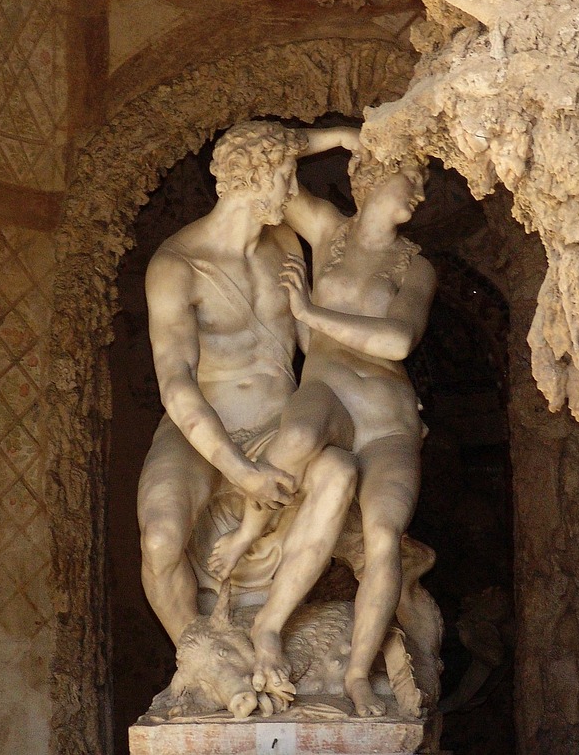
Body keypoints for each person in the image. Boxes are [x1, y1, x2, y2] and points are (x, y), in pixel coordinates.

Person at [210, 127, 438, 716]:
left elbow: (397, 341)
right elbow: (265, 167)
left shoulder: (419, 269)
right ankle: (247, 540)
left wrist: (310, 312)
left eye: (421, 182)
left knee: (384, 534)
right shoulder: (328, 231)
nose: (416, 191)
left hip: (388, 420)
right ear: (367, 178)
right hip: (330, 395)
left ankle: (360, 674)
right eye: (405, 177)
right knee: (302, 436)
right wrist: (340, 135)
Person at [137, 122, 358, 714]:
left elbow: (318, 347)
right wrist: (238, 470)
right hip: (200, 433)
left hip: (280, 427)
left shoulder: (284, 243)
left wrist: (336, 137)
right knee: (160, 538)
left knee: (336, 469)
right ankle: (203, 659)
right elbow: (176, 384)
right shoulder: (177, 265)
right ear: (257, 180)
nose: (294, 193)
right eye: (286, 179)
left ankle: (265, 636)